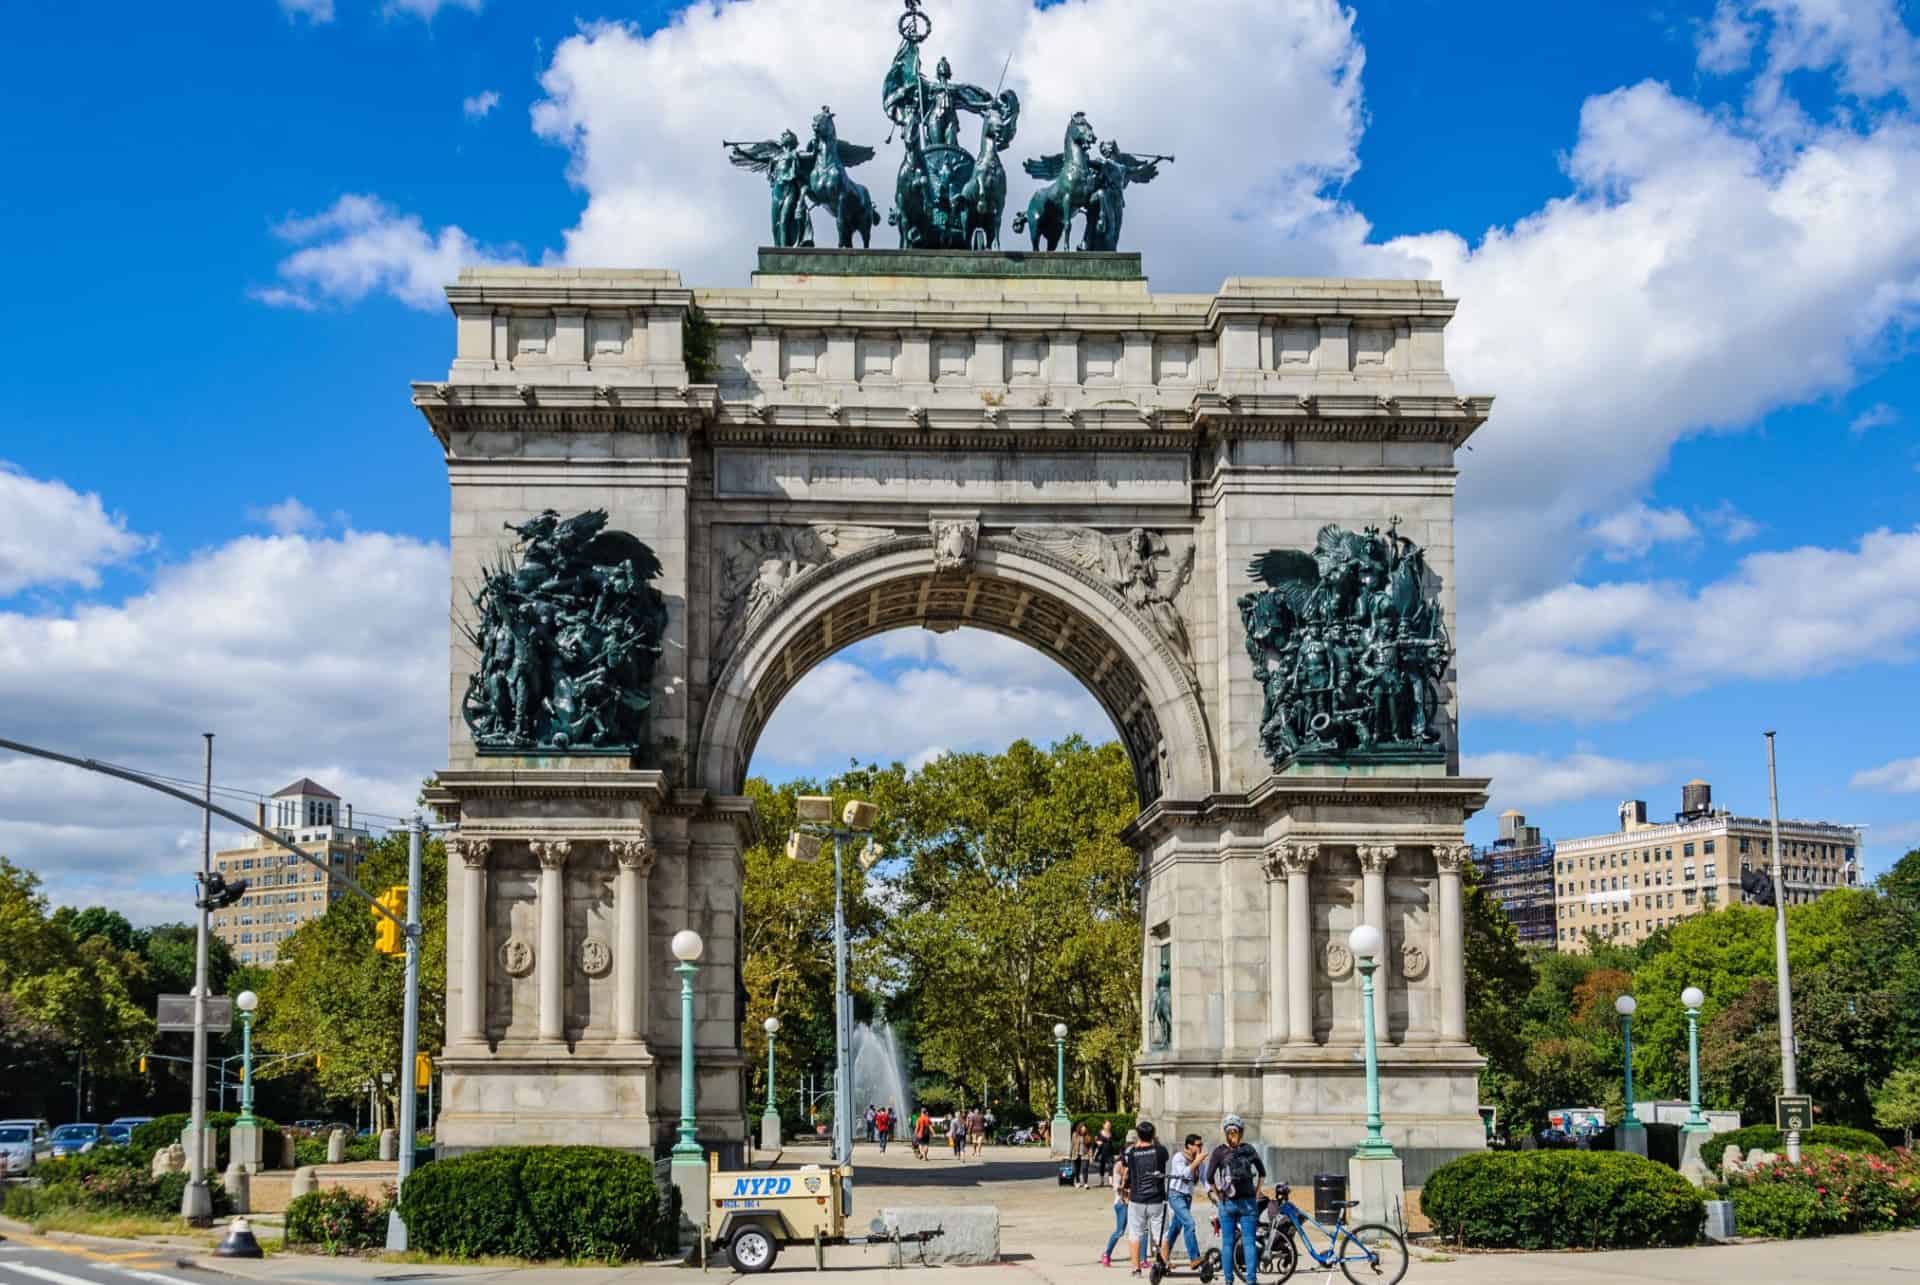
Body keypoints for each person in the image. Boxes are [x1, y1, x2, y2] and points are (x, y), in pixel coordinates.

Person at [1208, 1115, 1267, 1285]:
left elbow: (1209, 1176)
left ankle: (1228, 1281)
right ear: (1241, 1132)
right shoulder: (1249, 1149)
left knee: (1227, 1244)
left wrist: (1218, 1196)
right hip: (1248, 1202)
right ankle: (1251, 1280)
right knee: (1249, 1243)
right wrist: (1256, 1193)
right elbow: (1262, 1173)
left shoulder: (1219, 1151)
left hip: (1228, 1202)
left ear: (1225, 1132)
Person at [1123, 1121, 1171, 1277]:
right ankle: (1163, 1266)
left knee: (1135, 1234)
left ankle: (1136, 1269)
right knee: (1161, 1234)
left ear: (1138, 1135)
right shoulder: (1160, 1151)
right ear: (1153, 1134)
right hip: (1157, 1198)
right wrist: (1154, 1141)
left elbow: (1129, 1167)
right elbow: (1164, 1156)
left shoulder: (1132, 1153)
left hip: (1137, 1198)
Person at [1162, 1133, 1204, 1267]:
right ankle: (1194, 1258)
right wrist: (1196, 1162)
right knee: (1189, 1223)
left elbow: (1204, 1178)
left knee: (1176, 1227)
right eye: (1198, 1145)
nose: (1200, 1147)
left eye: (1201, 1145)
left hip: (1187, 1197)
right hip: (1176, 1195)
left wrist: (1214, 1194)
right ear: (1189, 1146)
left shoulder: (1197, 1161)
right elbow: (1183, 1174)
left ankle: (1164, 1257)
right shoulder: (1178, 1157)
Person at [1100, 1125, 1136, 1268]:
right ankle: (1106, 1253)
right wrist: (1125, 1178)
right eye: (1131, 1146)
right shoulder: (1119, 1166)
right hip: (1122, 1202)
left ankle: (1142, 1259)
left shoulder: (1136, 1163)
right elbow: (1117, 1188)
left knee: (1139, 1231)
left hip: (1134, 1202)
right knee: (1120, 1230)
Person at [1095, 1119, 1118, 1188]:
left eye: (1109, 1125)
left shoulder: (1111, 1133)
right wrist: (1097, 1142)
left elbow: (1114, 1142)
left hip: (1110, 1152)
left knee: (1111, 1166)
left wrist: (1115, 1152)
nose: (1108, 1126)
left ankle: (1111, 1182)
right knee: (1102, 1167)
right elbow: (1096, 1141)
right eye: (1107, 1125)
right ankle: (1102, 1181)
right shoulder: (1099, 1133)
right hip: (1102, 1152)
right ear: (1103, 1125)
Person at [1072, 1123, 1091, 1188]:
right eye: (1082, 1130)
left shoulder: (1088, 1136)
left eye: (1085, 1130)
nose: (1083, 1131)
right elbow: (1072, 1145)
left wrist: (1090, 1156)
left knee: (1085, 1168)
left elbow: (1090, 1147)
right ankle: (1078, 1182)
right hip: (1076, 1154)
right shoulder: (1075, 1135)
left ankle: (1085, 1183)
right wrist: (1070, 1155)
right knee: (1076, 1169)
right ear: (1079, 1129)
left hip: (1085, 1154)